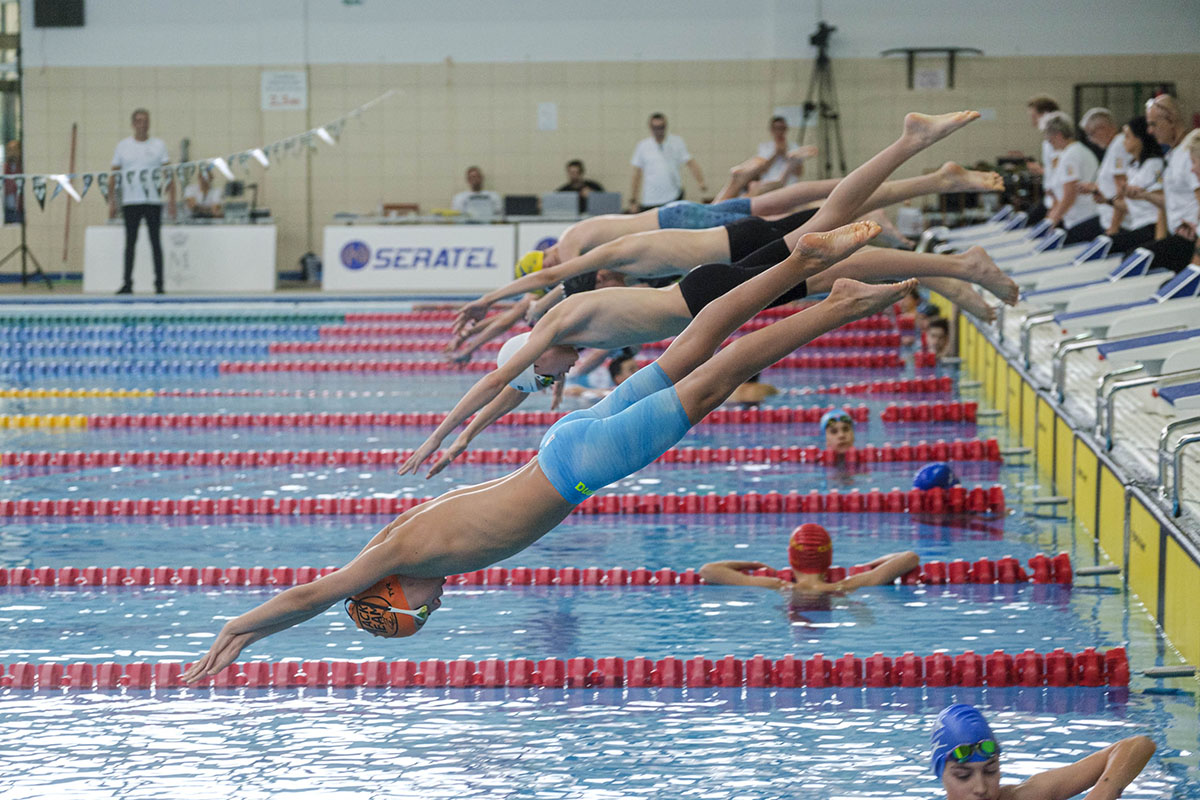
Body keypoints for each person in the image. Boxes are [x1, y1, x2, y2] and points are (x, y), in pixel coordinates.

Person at [180, 223, 918, 682]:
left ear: (396, 595)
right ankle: (796, 265)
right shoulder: (404, 544)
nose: (431, 612)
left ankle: (835, 304)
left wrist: (240, 629)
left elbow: (319, 594)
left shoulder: (405, 558)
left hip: (579, 465)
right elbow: (338, 588)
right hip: (562, 445)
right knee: (691, 347)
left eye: (416, 617)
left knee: (713, 379)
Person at [409, 112, 998, 474]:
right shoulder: (559, 336)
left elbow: (495, 380)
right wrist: (468, 439)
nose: (551, 381)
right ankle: (951, 262)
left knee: (829, 222)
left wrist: (443, 436)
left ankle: (917, 160)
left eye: (542, 375)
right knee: (823, 241)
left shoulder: (559, 316)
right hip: (704, 296)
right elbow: (511, 387)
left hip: (707, 293)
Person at [454, 161, 1006, 329]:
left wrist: (488, 310)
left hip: (704, 235)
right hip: (701, 238)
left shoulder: (576, 245)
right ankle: (928, 199)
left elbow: (541, 294)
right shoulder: (591, 261)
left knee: (823, 212)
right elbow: (545, 301)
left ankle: (928, 185)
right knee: (803, 203)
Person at [930, 703, 1155, 800]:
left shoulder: (1024, 796)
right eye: (963, 775)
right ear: (940, 774)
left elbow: (1138, 745)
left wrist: (1103, 792)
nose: (980, 788)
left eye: (990, 771)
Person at [698, 523, 919, 593]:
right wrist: (873, 564)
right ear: (829, 559)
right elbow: (909, 557)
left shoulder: (778, 585)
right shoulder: (845, 585)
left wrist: (750, 564)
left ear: (791, 558)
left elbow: (707, 570)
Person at [1129, 95, 1200, 272]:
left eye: (1153, 124)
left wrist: (1196, 258)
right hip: (1181, 234)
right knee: (1136, 258)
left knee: (1134, 261)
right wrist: (1145, 196)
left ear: (1171, 121)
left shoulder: (1189, 152)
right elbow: (1173, 202)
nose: (1150, 131)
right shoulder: (1174, 153)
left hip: (1190, 240)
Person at [111, 108, 174, 295]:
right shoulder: (123, 146)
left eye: (145, 120)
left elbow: (168, 173)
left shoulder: (159, 145)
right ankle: (127, 283)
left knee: (156, 243)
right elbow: (114, 175)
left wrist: (171, 200)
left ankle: (160, 284)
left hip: (153, 200)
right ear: (133, 124)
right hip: (131, 202)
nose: (142, 124)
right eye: (138, 121)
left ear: (149, 123)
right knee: (130, 244)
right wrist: (112, 202)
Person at [711, 117, 817, 201]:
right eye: (776, 128)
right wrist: (776, 154)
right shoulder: (765, 147)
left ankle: (743, 180)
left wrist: (786, 155)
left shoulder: (793, 147)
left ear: (786, 129)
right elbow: (761, 168)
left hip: (787, 184)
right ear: (771, 130)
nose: (779, 132)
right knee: (753, 186)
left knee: (755, 186)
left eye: (782, 128)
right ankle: (741, 180)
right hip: (768, 183)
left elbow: (799, 172)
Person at [1106, 116, 1164, 252]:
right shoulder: (1133, 166)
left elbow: (1161, 203)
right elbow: (1130, 206)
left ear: (1140, 139)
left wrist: (1143, 195)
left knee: (1111, 247)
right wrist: (1106, 200)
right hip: (1137, 225)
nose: (1123, 141)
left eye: (1127, 136)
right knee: (1104, 243)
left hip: (1152, 225)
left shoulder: (1154, 165)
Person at [629, 113, 707, 212]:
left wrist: (701, 181)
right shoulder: (643, 146)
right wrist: (633, 200)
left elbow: (691, 163)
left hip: (672, 196)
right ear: (650, 127)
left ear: (665, 126)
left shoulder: (676, 142)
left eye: (661, 127)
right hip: (650, 199)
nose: (658, 131)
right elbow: (636, 174)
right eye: (655, 127)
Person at [1041, 113, 1099, 244]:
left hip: (1082, 218)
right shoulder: (1074, 151)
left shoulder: (1071, 155)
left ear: (1059, 135)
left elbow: (1069, 195)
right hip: (1079, 217)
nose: (1050, 144)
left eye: (1050, 140)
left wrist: (1052, 222)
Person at [1075, 107, 1127, 241]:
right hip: (1107, 218)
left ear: (1103, 128)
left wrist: (1113, 228)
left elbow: (1121, 191)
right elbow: (1111, 185)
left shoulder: (1118, 146)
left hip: (1118, 223)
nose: (1090, 140)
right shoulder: (1112, 148)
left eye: (1091, 134)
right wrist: (1095, 188)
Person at [1025, 94, 1061, 225]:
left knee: (1029, 222)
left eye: (1034, 117)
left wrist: (1040, 170)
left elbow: (1060, 172)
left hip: (1057, 199)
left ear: (1046, 115)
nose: (1032, 121)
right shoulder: (1048, 141)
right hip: (1051, 197)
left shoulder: (1054, 141)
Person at [3, 140, 22, 225]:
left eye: (14, 150)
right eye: (10, 150)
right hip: (7, 207)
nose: (12, 153)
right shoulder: (4, 167)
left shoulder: (23, 166)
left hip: (19, 207)